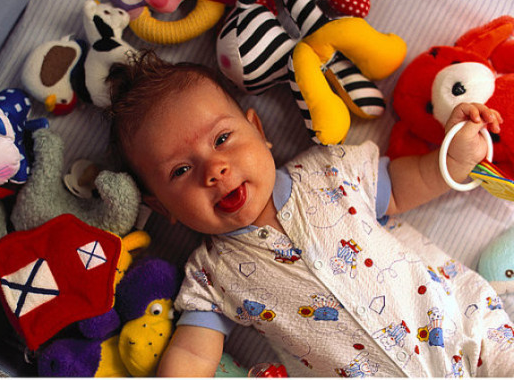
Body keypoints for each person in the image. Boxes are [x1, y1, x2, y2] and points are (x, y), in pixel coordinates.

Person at [106, 50, 514, 377]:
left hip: (469, 333)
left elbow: (413, 181)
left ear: (259, 131)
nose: (214, 170)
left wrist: (456, 157)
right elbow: (193, 355)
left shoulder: (331, 171)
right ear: (161, 206)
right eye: (180, 170)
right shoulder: (211, 275)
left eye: (222, 138)